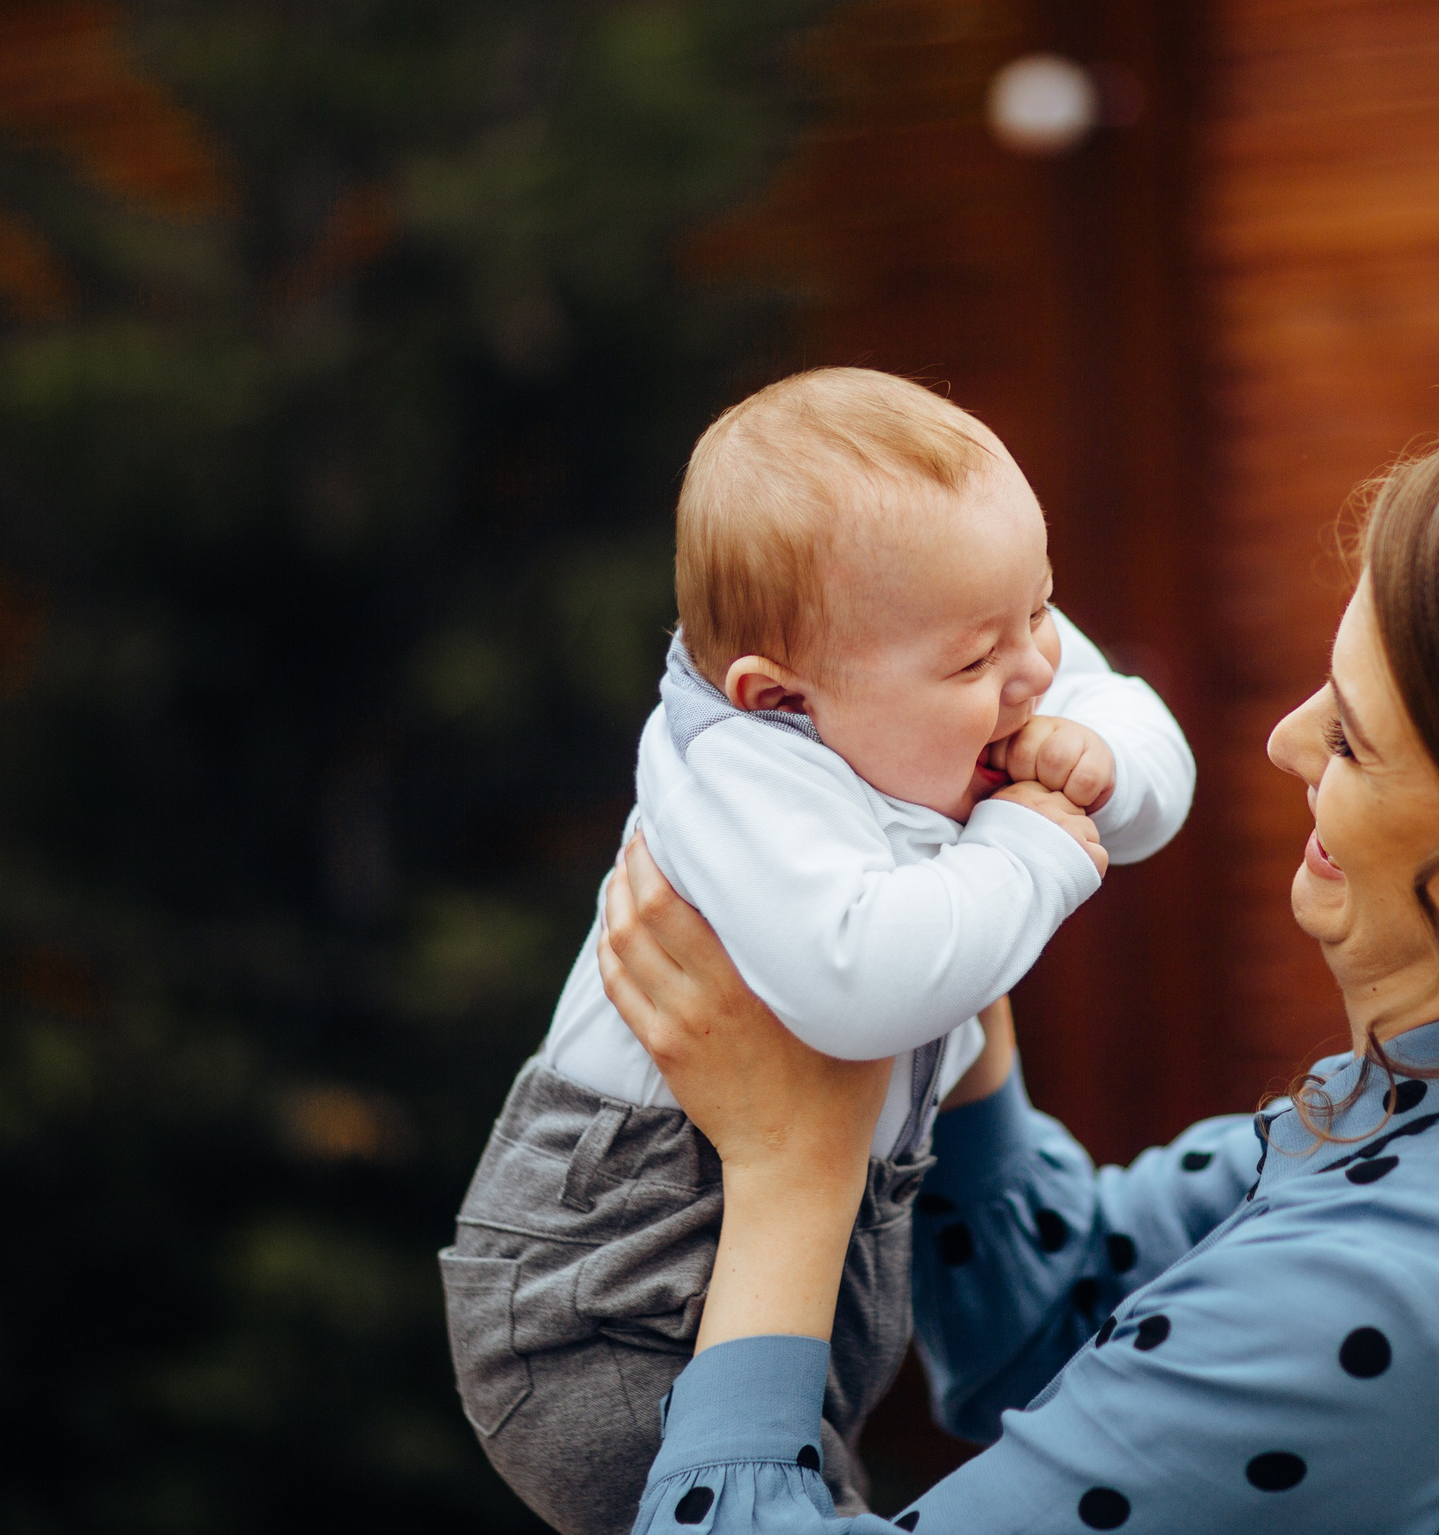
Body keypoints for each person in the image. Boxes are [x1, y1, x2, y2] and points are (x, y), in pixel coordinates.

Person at [596, 410, 1439, 1534]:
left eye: (1352, 742)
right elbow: (1050, 1330)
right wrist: (956, 999)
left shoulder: (1396, 1300)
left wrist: (792, 1170)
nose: (1287, 742)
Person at [440, 370, 1197, 1533]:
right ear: (779, 697)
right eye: (974, 664)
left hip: (812, 1230)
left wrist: (1099, 765)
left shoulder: (971, 640)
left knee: (813, 1489)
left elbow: (1142, 738)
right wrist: (1030, 844)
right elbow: (864, 987)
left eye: (1041, 612)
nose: (1037, 673)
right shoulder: (741, 765)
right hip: (611, 1288)